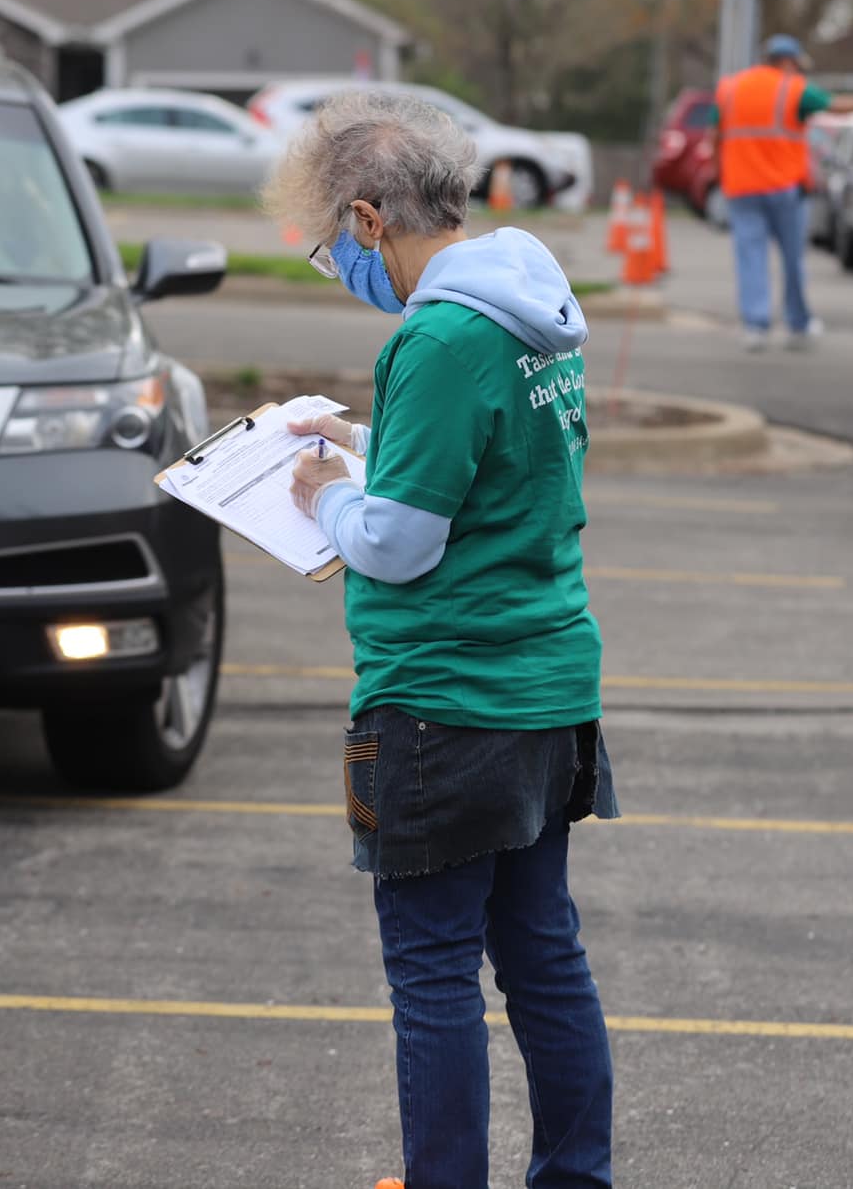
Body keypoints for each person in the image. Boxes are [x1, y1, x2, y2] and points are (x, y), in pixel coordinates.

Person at [265, 90, 620, 1189]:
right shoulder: (526, 295)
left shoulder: (438, 335)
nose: (343, 269)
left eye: (335, 248)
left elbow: (402, 543)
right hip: (545, 681)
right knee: (542, 959)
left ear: (371, 218)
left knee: (430, 976)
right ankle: (576, 1175)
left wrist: (326, 492)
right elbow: (496, 457)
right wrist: (371, 440)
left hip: (442, 698)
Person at [712, 33, 832, 351]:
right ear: (789, 62)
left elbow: (715, 132)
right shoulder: (793, 88)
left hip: (741, 187)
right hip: (785, 188)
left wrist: (719, 170)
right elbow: (826, 103)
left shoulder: (730, 87)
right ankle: (798, 322)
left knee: (750, 257)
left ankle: (755, 325)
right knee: (792, 258)